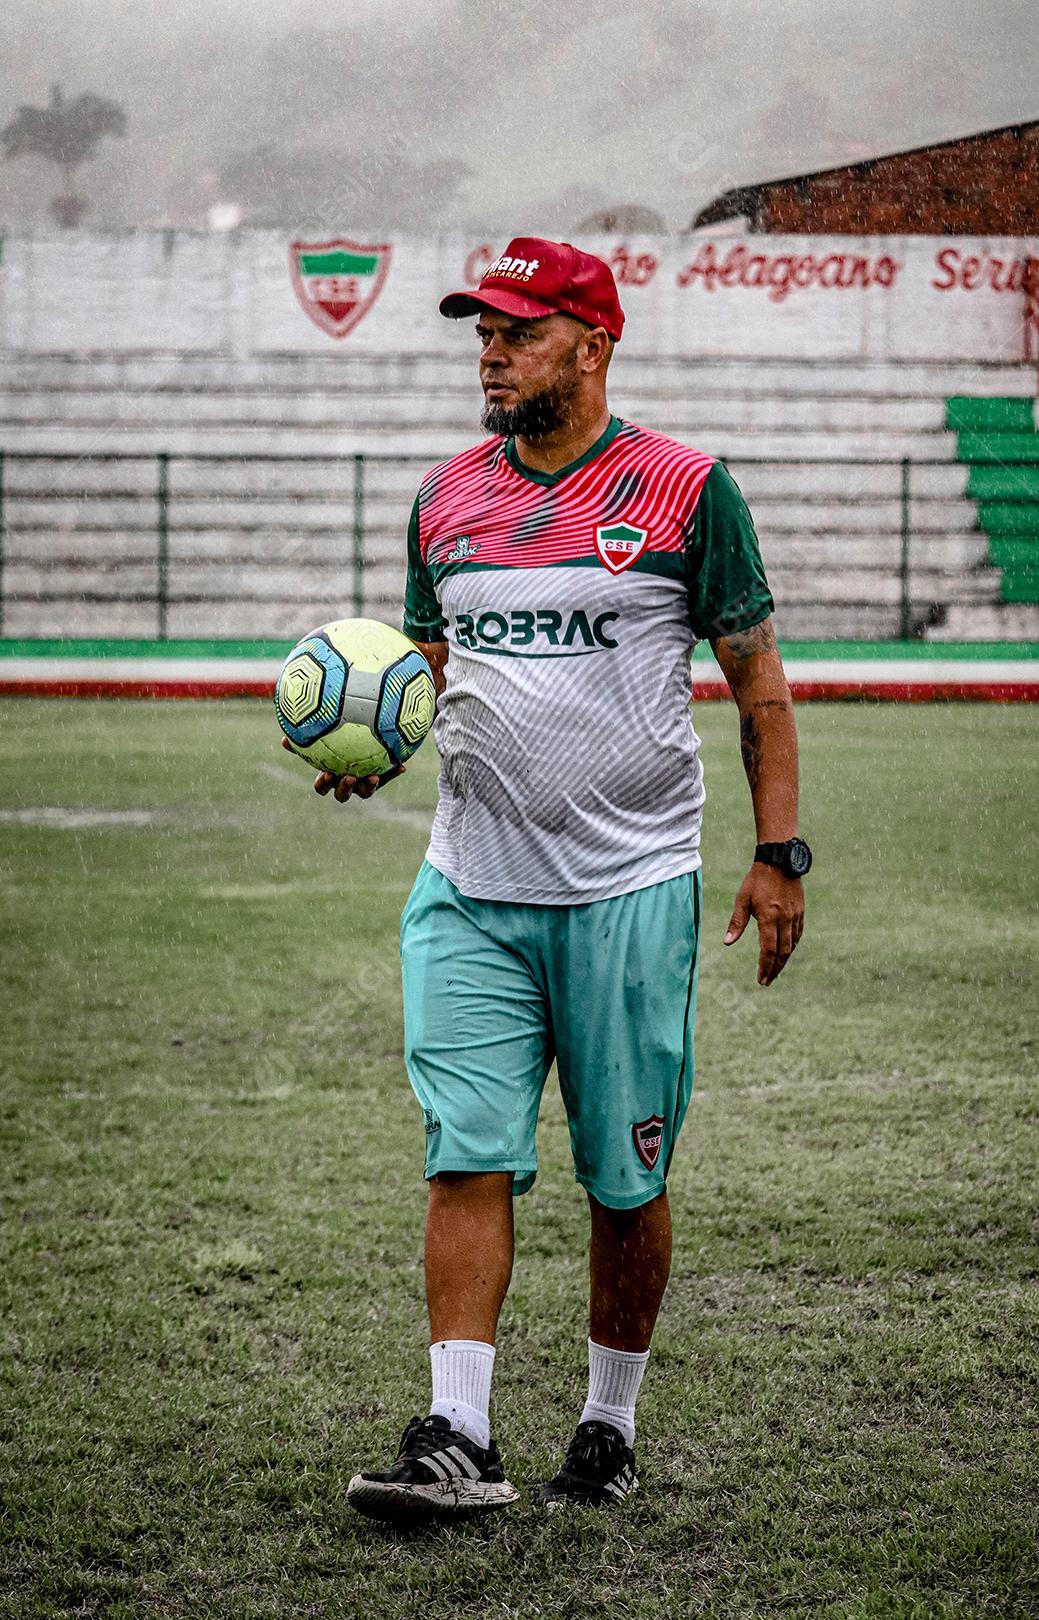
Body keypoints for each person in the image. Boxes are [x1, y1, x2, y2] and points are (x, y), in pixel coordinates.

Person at [286, 237, 809, 1518]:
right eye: (482, 333)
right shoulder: (444, 497)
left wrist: (779, 853)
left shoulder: (688, 490)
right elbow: (426, 671)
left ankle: (607, 1424)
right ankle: (457, 1433)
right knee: (466, 1154)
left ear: (593, 342)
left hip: (629, 886)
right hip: (470, 881)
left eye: (517, 332)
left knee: (624, 1180)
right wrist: (382, 742)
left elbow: (758, 684)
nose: (491, 353)